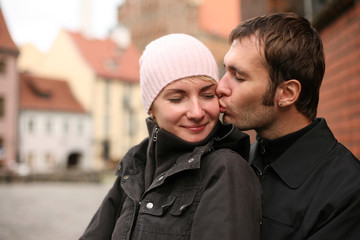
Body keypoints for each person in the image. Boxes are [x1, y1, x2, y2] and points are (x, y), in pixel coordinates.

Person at [80, 33, 262, 240]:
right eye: (177, 98)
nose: (197, 112)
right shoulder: (135, 165)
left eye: (208, 95)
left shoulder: (225, 168)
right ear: (151, 110)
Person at [216, 12, 360, 240]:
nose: (220, 87)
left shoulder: (347, 191)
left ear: (287, 93)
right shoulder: (237, 159)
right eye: (225, 70)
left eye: (239, 77)